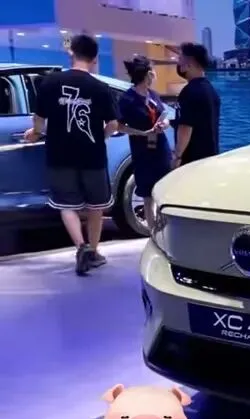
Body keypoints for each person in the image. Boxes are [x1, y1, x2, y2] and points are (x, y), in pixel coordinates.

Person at [24, 34, 119, 276]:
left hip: (60, 154)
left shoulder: (50, 83)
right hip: (93, 155)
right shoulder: (100, 88)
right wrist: (101, 137)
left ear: (71, 53)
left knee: (67, 205)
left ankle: (81, 247)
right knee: (96, 206)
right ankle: (94, 252)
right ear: (95, 59)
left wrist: (35, 133)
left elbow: (39, 119)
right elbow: (113, 124)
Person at [117, 56, 171, 230]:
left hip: (161, 148)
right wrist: (141, 133)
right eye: (153, 71)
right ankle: (153, 231)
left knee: (164, 188)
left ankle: (165, 228)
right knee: (147, 194)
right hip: (142, 151)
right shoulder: (127, 99)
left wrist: (164, 124)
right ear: (148, 74)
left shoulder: (153, 94)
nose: (155, 74)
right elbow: (119, 126)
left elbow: (165, 116)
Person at [171, 42, 220, 169]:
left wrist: (177, 156)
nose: (178, 63)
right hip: (210, 158)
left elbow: (185, 128)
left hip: (192, 162)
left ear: (189, 64)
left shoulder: (189, 92)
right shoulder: (211, 91)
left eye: (180, 59)